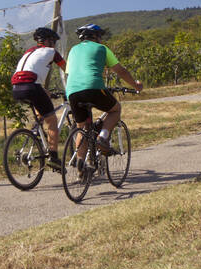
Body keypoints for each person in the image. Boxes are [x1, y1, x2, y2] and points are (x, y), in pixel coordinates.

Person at [65, 24, 143, 159]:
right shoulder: (102, 48)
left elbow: (69, 72)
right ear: (95, 36)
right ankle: (102, 137)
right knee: (115, 109)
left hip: (72, 91)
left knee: (81, 128)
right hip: (93, 87)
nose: (101, 40)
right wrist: (135, 85)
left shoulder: (73, 50)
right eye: (100, 36)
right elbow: (121, 71)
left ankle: (80, 166)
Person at [11, 27, 66, 170]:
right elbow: (68, 69)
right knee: (52, 121)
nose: (54, 45)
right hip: (32, 87)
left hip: (17, 88)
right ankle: (54, 157)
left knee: (40, 106)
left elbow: (29, 76)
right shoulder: (52, 52)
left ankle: (35, 130)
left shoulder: (29, 52)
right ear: (49, 41)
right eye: (53, 42)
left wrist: (46, 91)